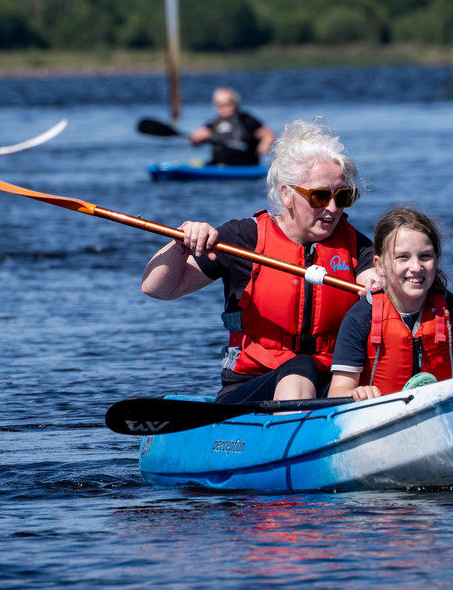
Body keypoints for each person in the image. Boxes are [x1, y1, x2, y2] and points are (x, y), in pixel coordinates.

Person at [143, 118, 380, 403]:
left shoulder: (358, 247)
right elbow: (157, 289)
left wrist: (379, 285)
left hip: (331, 387)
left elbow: (374, 281)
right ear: (287, 194)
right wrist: (180, 244)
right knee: (301, 366)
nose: (332, 208)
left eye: (342, 196)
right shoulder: (242, 239)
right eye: (319, 196)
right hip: (249, 387)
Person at [328, 207, 453, 401]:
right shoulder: (359, 319)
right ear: (379, 265)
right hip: (376, 416)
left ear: (437, 259)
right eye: (403, 257)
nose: (416, 267)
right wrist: (356, 393)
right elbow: (338, 391)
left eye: (425, 256)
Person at [188, 86, 275, 166]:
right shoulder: (214, 123)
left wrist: (265, 144)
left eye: (228, 104)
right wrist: (196, 138)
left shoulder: (246, 119)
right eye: (220, 105)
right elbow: (197, 136)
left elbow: (267, 134)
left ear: (235, 103)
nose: (224, 108)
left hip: (245, 165)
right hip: (219, 165)